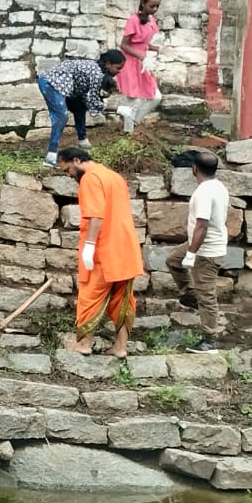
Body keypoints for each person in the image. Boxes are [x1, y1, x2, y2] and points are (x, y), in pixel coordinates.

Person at [59, 147, 145, 356]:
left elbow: (96, 215)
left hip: (103, 250)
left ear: (77, 160)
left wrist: (89, 246)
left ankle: (84, 344)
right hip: (126, 248)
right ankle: (120, 348)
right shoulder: (114, 176)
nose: (69, 175)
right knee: (123, 299)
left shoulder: (90, 178)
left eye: (67, 170)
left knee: (91, 296)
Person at [167, 150, 228, 353]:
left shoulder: (204, 192)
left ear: (194, 168)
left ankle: (210, 340)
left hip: (206, 251)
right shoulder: (218, 186)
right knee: (173, 260)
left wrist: (192, 253)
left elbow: (202, 224)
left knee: (208, 295)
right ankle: (190, 296)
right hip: (202, 244)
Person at [37, 50, 126, 167]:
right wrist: (117, 109)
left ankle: (83, 141)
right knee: (61, 116)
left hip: (68, 86)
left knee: (79, 107)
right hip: (51, 83)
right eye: (118, 68)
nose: (119, 72)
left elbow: (87, 99)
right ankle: (51, 155)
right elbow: (93, 102)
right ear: (108, 64)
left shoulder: (98, 70)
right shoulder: (97, 74)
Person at [115, 0, 164, 132]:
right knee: (134, 100)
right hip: (130, 62)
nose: (154, 9)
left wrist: (159, 49)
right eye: (151, 6)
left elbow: (145, 43)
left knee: (156, 97)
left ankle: (134, 123)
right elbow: (124, 45)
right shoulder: (133, 20)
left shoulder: (151, 20)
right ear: (143, 3)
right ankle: (128, 134)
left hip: (144, 64)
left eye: (157, 6)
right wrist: (142, 56)